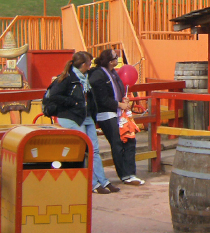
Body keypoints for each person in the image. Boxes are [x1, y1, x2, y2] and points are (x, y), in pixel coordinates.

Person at [51, 51, 119, 194]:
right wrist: (73, 102)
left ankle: (103, 180)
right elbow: (55, 96)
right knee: (84, 149)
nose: (90, 67)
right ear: (83, 65)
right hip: (73, 117)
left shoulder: (86, 77)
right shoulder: (68, 79)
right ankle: (92, 183)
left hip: (87, 116)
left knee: (94, 150)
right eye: (89, 64)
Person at [89, 49, 145, 187]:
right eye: (115, 57)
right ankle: (124, 174)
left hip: (119, 112)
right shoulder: (97, 75)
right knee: (117, 142)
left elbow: (120, 89)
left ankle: (131, 173)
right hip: (106, 114)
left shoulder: (114, 73)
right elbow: (101, 98)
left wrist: (124, 100)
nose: (117, 59)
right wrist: (119, 104)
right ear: (110, 61)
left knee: (130, 140)